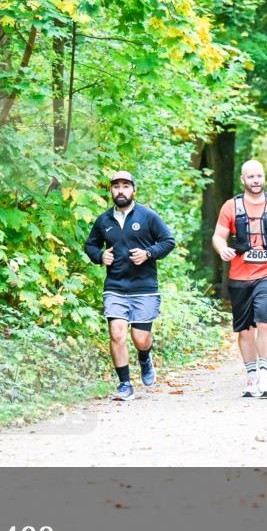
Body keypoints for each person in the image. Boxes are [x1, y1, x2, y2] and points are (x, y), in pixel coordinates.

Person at [85, 170, 176, 400]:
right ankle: (125, 384)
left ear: (134, 190)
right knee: (117, 334)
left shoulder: (148, 216)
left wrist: (148, 253)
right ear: (111, 191)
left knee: (140, 339)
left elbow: (168, 241)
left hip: (144, 287)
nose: (121, 191)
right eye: (116, 186)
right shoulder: (104, 220)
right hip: (115, 286)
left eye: (126, 186)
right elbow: (90, 245)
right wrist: (100, 256)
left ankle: (144, 357)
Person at [212, 160, 267, 398]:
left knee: (265, 320)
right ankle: (251, 375)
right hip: (239, 276)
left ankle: (264, 373)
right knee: (246, 330)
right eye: (250, 177)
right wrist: (222, 249)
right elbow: (218, 236)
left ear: (264, 177)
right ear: (243, 179)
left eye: (259, 176)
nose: (256, 180)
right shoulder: (231, 206)